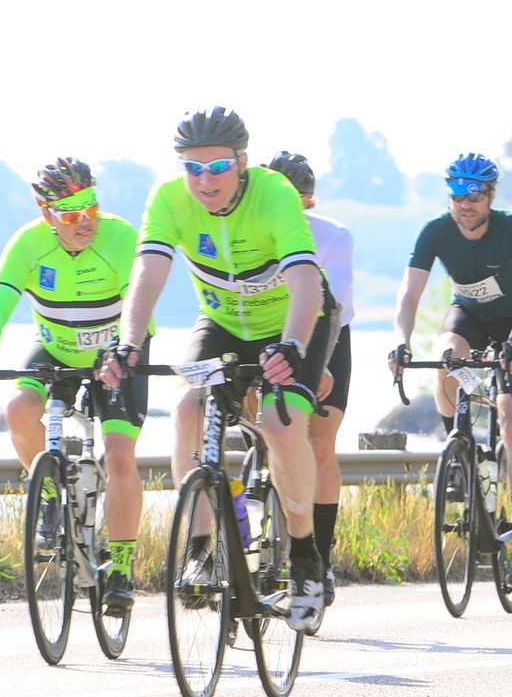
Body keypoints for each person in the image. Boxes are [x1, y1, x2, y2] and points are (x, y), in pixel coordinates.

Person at [98, 108, 333, 632]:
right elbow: (147, 274)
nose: (205, 181)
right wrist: (127, 343)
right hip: (222, 322)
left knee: (281, 425)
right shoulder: (168, 199)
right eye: (193, 168)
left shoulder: (274, 194)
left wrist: (293, 346)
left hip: (294, 322)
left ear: (243, 162)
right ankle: (201, 548)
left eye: (219, 167)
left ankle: (304, 555)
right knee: (188, 409)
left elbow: (304, 283)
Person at [0, 159, 149, 616]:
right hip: (55, 348)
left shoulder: (121, 237)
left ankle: (121, 567)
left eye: (91, 208)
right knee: (19, 411)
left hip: (117, 354)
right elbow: (0, 296)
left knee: (119, 454)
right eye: (72, 214)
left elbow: (138, 301)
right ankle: (48, 493)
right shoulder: (28, 243)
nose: (86, 222)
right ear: (47, 215)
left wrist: (122, 350)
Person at [389, 154, 512, 591]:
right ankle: (458, 451)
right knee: (446, 356)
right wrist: (401, 341)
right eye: (457, 194)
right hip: (470, 317)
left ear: (491, 196)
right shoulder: (436, 231)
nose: (465, 203)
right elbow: (408, 295)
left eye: (475, 195)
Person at [267, 151, 351, 606]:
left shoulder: (332, 236)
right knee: (267, 431)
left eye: (294, 197)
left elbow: (329, 305)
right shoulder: (253, 229)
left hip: (328, 334)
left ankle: (322, 558)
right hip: (270, 332)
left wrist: (322, 365)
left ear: (308, 200)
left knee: (318, 442)